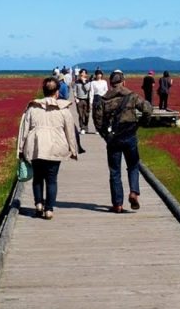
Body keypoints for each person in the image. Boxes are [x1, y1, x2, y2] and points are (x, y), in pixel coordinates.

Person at [16, 77, 79, 220]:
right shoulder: (63, 109)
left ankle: (38, 204)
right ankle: (49, 209)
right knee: (52, 179)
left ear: (43, 91)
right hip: (55, 147)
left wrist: (20, 149)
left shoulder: (32, 108)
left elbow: (24, 130)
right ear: (57, 92)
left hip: (35, 146)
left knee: (37, 178)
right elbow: (70, 131)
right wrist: (73, 150)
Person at [93, 69, 152, 213]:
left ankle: (117, 204)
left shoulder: (103, 99)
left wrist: (105, 136)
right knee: (133, 166)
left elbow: (98, 121)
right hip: (130, 135)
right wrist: (142, 122)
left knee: (114, 171)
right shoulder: (132, 96)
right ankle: (134, 192)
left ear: (110, 83)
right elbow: (148, 108)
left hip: (113, 139)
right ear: (124, 82)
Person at [73, 69, 92, 134]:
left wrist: (84, 82)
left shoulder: (88, 82)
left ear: (86, 75)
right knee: (80, 115)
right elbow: (74, 90)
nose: (82, 74)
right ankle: (82, 128)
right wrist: (75, 98)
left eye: (84, 73)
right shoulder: (77, 82)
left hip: (87, 99)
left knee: (86, 114)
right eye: (81, 73)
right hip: (79, 99)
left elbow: (88, 89)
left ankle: (86, 127)